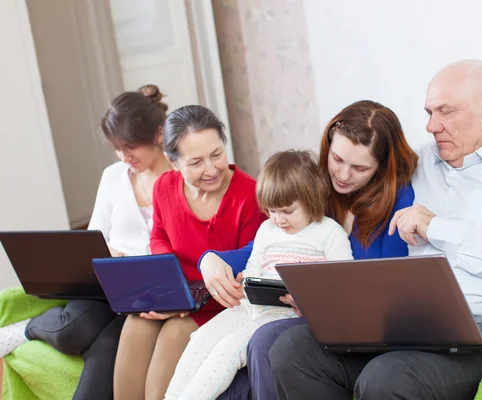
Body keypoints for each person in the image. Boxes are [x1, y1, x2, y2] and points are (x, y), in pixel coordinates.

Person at [269, 60, 482, 400]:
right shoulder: (417, 164)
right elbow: (353, 183)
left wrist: (437, 227)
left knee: (388, 377)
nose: (432, 125)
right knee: (293, 349)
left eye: (446, 112)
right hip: (410, 325)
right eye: (429, 112)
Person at [200, 100, 419, 399]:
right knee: (226, 368)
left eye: (359, 168)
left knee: (264, 341)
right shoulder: (315, 185)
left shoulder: (398, 198)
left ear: (381, 167)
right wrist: (210, 260)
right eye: (337, 159)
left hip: (357, 328)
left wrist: (324, 304)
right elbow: (263, 246)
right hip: (301, 315)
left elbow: (387, 288)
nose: (342, 175)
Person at [0, 84, 172, 400]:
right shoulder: (113, 176)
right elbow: (95, 234)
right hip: (108, 281)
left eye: (131, 147)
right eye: (117, 148)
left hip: (148, 294)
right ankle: (25, 329)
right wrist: (108, 254)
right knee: (71, 331)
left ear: (159, 135)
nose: (124, 157)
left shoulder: (180, 178)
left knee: (106, 348)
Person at [166, 150, 353, 400]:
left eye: (287, 211)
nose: (279, 219)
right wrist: (246, 282)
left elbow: (345, 283)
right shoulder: (267, 229)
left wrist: (313, 301)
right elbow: (254, 266)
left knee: (229, 350)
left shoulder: (330, 233)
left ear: (312, 199)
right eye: (271, 211)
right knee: (200, 338)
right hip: (251, 306)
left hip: (284, 314)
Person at [113, 105, 266, 400]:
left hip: (222, 301)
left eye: (217, 154)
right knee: (135, 323)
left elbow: (251, 260)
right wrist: (173, 289)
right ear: (174, 163)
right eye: (196, 162)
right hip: (176, 290)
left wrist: (188, 302)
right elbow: (158, 236)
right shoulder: (164, 188)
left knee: (174, 333)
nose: (211, 169)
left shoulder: (250, 195)